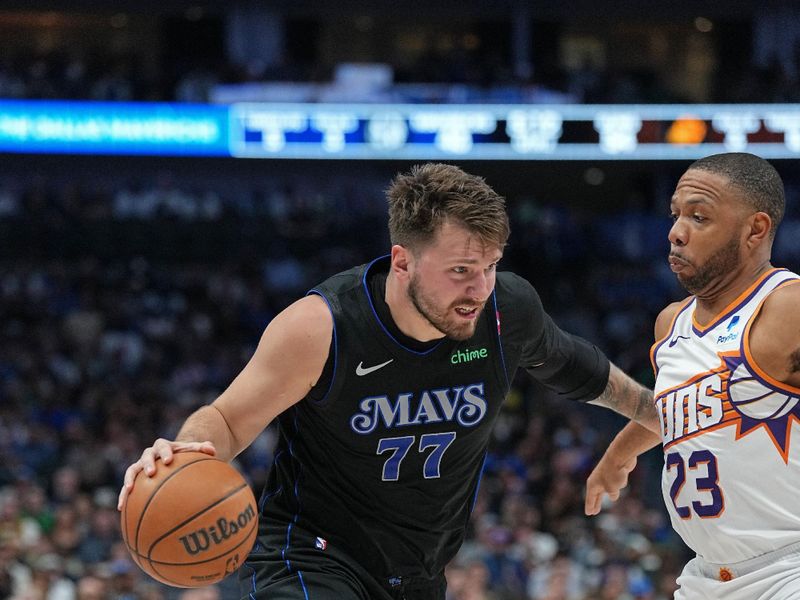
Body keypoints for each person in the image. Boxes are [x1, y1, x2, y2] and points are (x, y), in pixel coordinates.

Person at [117, 163, 659, 600]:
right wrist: (184, 454)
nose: (480, 287)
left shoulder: (505, 310)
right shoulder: (321, 326)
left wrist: (660, 413)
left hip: (419, 572)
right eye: (461, 270)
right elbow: (230, 419)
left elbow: (577, 367)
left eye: (491, 266)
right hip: (311, 558)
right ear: (402, 261)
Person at [585, 152, 800, 599]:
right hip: (706, 577)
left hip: (789, 568)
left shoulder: (787, 306)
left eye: (699, 217)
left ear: (755, 230)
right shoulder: (671, 323)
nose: (675, 232)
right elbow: (683, 411)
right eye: (676, 214)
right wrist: (620, 454)